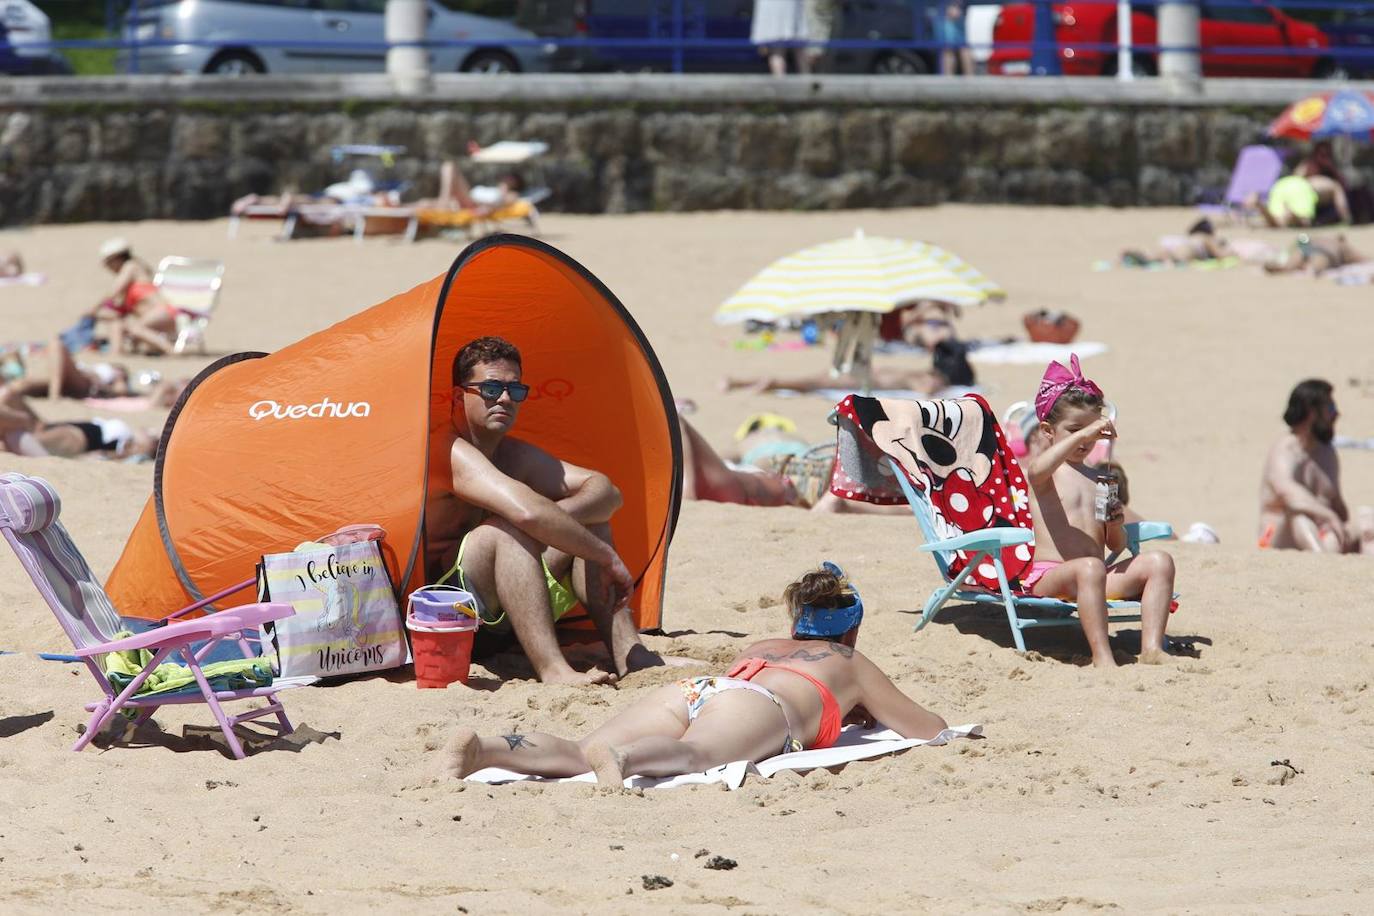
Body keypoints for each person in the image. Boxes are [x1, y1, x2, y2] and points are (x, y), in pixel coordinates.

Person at [442, 564, 948, 786]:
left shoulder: (764, 646)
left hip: (699, 689)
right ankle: (623, 758)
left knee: (578, 752)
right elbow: (928, 729)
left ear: (796, 626)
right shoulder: (850, 662)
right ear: (851, 632)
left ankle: (484, 747)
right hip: (755, 707)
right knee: (695, 755)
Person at [426, 336, 665, 686]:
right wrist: (603, 556)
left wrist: (565, 526)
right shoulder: (448, 450)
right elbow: (526, 514)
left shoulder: (513, 454)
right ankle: (554, 670)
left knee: (589, 523)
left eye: (514, 390)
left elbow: (607, 491)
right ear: (459, 395)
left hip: (512, 612)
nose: (505, 399)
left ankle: (631, 654)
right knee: (505, 530)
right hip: (451, 616)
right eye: (491, 389)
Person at [1023, 356, 1176, 668]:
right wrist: (1087, 432)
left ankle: (1152, 647)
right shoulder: (1045, 475)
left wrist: (1116, 523)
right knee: (1090, 568)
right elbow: (1037, 468)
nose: (1085, 439)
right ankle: (1102, 657)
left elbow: (1116, 545)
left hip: (1095, 574)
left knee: (1160, 561)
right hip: (1052, 575)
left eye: (1091, 432)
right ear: (1048, 430)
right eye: (1075, 430)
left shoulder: (1102, 479)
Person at [1259, 379, 1373, 555]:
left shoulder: (1327, 453)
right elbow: (1289, 494)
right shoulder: (1284, 450)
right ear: (1312, 412)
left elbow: (1340, 512)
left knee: (1369, 524)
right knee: (1300, 516)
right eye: (1331, 409)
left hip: (1326, 535)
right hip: (1277, 541)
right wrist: (1328, 515)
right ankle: (1323, 564)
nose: (1336, 415)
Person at [0, 387, 157, 459]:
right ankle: (20, 421)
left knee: (13, 435)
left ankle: (20, 421)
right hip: (46, 426)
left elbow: (104, 456)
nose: (156, 437)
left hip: (79, 438)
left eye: (155, 441)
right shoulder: (134, 433)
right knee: (8, 394)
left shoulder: (133, 447)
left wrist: (142, 447)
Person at [87, 239, 177, 356]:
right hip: (155, 317)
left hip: (162, 313)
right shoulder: (134, 276)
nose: (107, 267)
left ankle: (171, 350)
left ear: (117, 258)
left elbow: (113, 292)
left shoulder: (131, 266)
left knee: (135, 328)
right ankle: (116, 351)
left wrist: (93, 310)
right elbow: (119, 306)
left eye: (107, 262)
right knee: (116, 322)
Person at [751, 0, 829, 76]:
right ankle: (805, 81)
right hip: (789, 8)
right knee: (797, 49)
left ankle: (783, 84)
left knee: (780, 50)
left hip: (777, 8)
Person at [1120, 218, 1232, 267]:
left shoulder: (1192, 237)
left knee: (1155, 256)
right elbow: (1219, 256)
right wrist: (1232, 254)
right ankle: (1141, 256)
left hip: (1173, 243)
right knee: (1170, 258)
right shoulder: (1205, 238)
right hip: (1184, 251)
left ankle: (1134, 252)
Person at [1263, 233, 1366, 276]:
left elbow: (1298, 241)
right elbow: (1362, 259)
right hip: (1324, 252)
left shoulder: (1317, 238)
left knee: (1296, 258)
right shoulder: (1340, 244)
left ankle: (1285, 268)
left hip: (1307, 246)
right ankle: (1312, 270)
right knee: (1319, 262)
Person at [937, 0, 975, 76]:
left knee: (956, 49)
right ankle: (968, 76)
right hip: (950, 12)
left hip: (951, 12)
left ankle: (968, 76)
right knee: (950, 49)